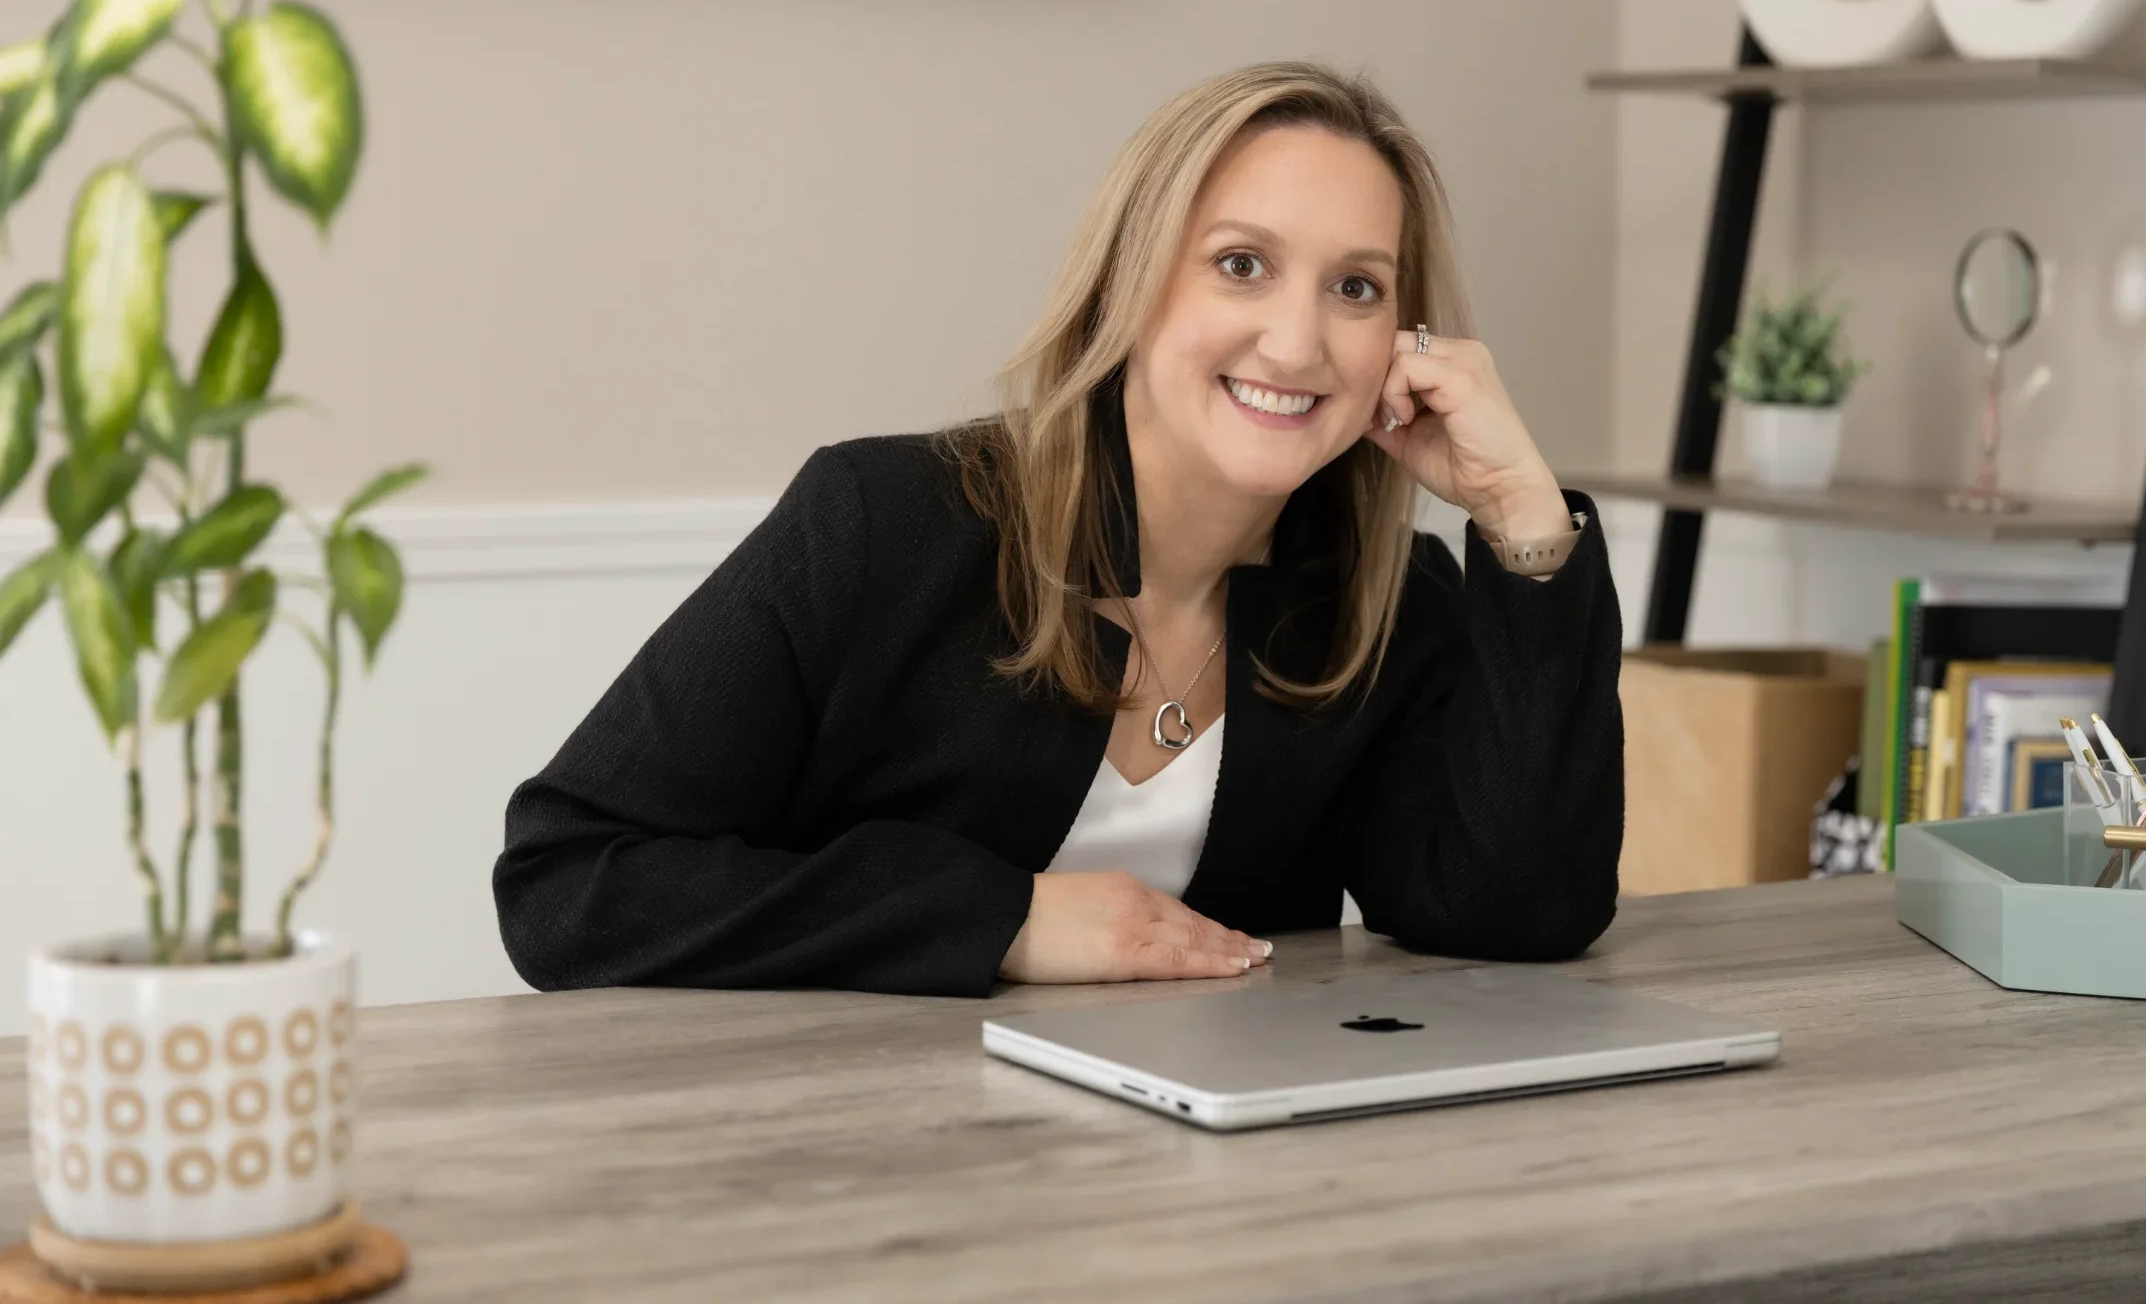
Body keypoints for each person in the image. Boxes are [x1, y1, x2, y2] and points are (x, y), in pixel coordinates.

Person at [493, 61, 1622, 997]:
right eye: (1241, 265)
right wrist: (1007, 919)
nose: (1296, 341)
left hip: (1213, 1173)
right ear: (1132, 283)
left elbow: (1517, 911)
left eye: (1357, 288)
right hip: (845, 1153)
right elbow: (569, 881)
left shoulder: (1384, 603)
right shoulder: (881, 521)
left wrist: (1521, 516)